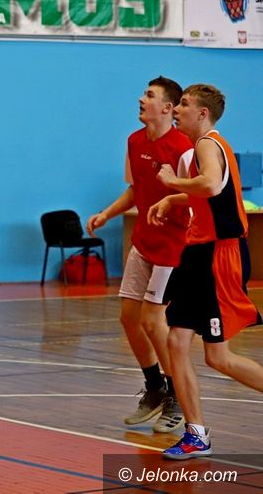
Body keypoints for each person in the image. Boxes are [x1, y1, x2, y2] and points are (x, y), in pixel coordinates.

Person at [148, 84, 263, 459]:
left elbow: (211, 184)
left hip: (219, 256)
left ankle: (196, 432)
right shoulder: (204, 148)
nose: (177, 109)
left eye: (183, 104)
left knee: (218, 357)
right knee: (176, 341)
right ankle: (196, 433)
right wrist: (175, 197)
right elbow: (211, 192)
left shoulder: (207, 145)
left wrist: (171, 183)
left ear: (202, 114)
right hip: (198, 254)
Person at [87, 77, 193, 434]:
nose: (141, 99)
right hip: (144, 242)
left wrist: (172, 201)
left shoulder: (183, 148)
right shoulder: (134, 141)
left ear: (167, 107)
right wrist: (106, 213)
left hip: (173, 245)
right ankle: (155, 387)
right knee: (129, 318)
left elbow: (198, 194)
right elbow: (136, 190)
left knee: (152, 320)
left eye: (149, 95)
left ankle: (177, 395)